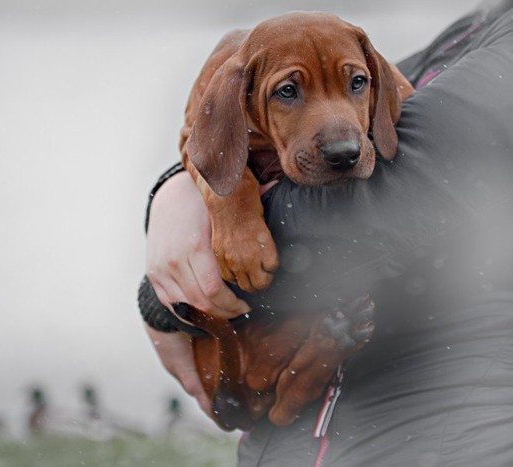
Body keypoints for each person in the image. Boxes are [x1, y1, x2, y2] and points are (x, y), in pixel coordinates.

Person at [140, 1, 513, 465]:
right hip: (294, 437)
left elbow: (380, 215)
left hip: (425, 432)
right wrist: (182, 187)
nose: (341, 141)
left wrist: (178, 292)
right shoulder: (469, 29)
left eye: (356, 83)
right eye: (288, 92)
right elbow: (211, 143)